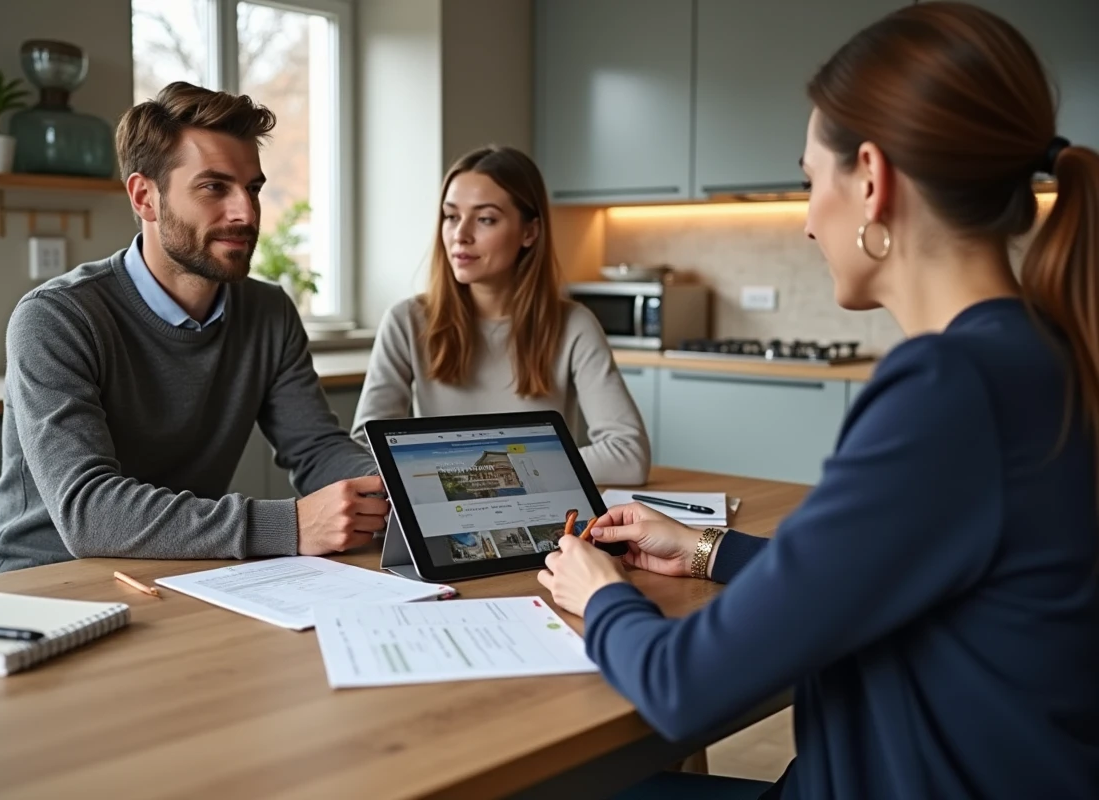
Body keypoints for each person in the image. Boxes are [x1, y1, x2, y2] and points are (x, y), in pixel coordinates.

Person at [538, 4, 1099, 798]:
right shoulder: (1042, 356)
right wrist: (705, 550)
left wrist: (601, 595)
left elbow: (682, 686)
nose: (806, 222)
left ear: (871, 179)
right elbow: (886, 572)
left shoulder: (948, 391)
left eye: (809, 181)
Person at [0, 82, 387, 574]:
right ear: (145, 197)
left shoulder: (268, 313)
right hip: (46, 582)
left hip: (187, 569)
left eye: (252, 188)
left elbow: (317, 449)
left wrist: (398, 488)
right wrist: (293, 525)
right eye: (215, 187)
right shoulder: (56, 318)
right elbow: (88, 513)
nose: (246, 213)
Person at [350, 145, 650, 486]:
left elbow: (629, 456)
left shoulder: (574, 325)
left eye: (485, 219)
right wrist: (517, 471)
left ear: (529, 232)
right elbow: (364, 451)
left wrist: (479, 476)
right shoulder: (405, 321)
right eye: (451, 216)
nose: (460, 235)